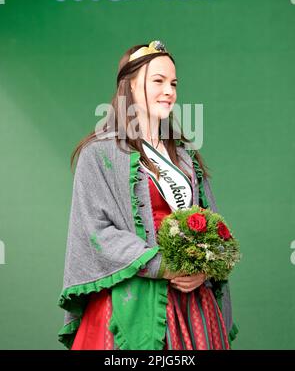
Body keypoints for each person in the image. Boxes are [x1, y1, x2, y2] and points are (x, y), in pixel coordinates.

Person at [57, 40, 238, 350]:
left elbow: (215, 229)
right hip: (132, 302)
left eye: (173, 83)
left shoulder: (185, 156)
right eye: (158, 81)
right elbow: (96, 231)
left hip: (191, 302)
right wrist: (162, 265)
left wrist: (203, 270)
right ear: (129, 85)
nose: (169, 91)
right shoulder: (99, 153)